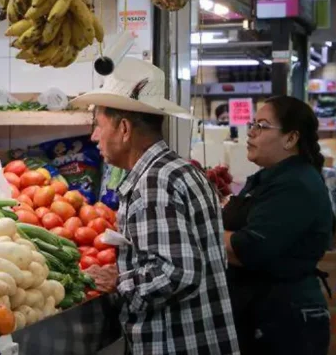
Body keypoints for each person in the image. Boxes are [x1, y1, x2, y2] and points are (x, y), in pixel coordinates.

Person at [72, 57, 239, 354]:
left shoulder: (154, 183)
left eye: (98, 125)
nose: (93, 137)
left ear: (124, 128)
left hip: (176, 345)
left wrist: (120, 282)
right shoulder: (180, 171)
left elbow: (177, 273)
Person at [223, 96, 333, 355]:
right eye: (252, 124)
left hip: (286, 324)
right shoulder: (270, 178)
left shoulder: (295, 185)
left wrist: (203, 229)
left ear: (291, 138)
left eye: (261, 126)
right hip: (262, 314)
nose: (251, 132)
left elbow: (248, 249)